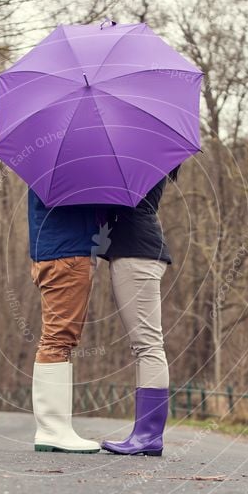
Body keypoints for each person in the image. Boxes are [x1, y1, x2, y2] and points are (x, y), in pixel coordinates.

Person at [99, 166, 179, 457]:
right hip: (137, 252)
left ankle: (148, 435)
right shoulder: (138, 163)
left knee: (148, 345)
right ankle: (145, 434)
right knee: (145, 346)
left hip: (137, 254)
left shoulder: (137, 166)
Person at [28, 188, 101, 453]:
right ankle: (52, 430)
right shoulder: (72, 166)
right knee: (58, 339)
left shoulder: (51, 165)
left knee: (59, 339)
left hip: (56, 249)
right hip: (66, 252)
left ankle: (55, 428)